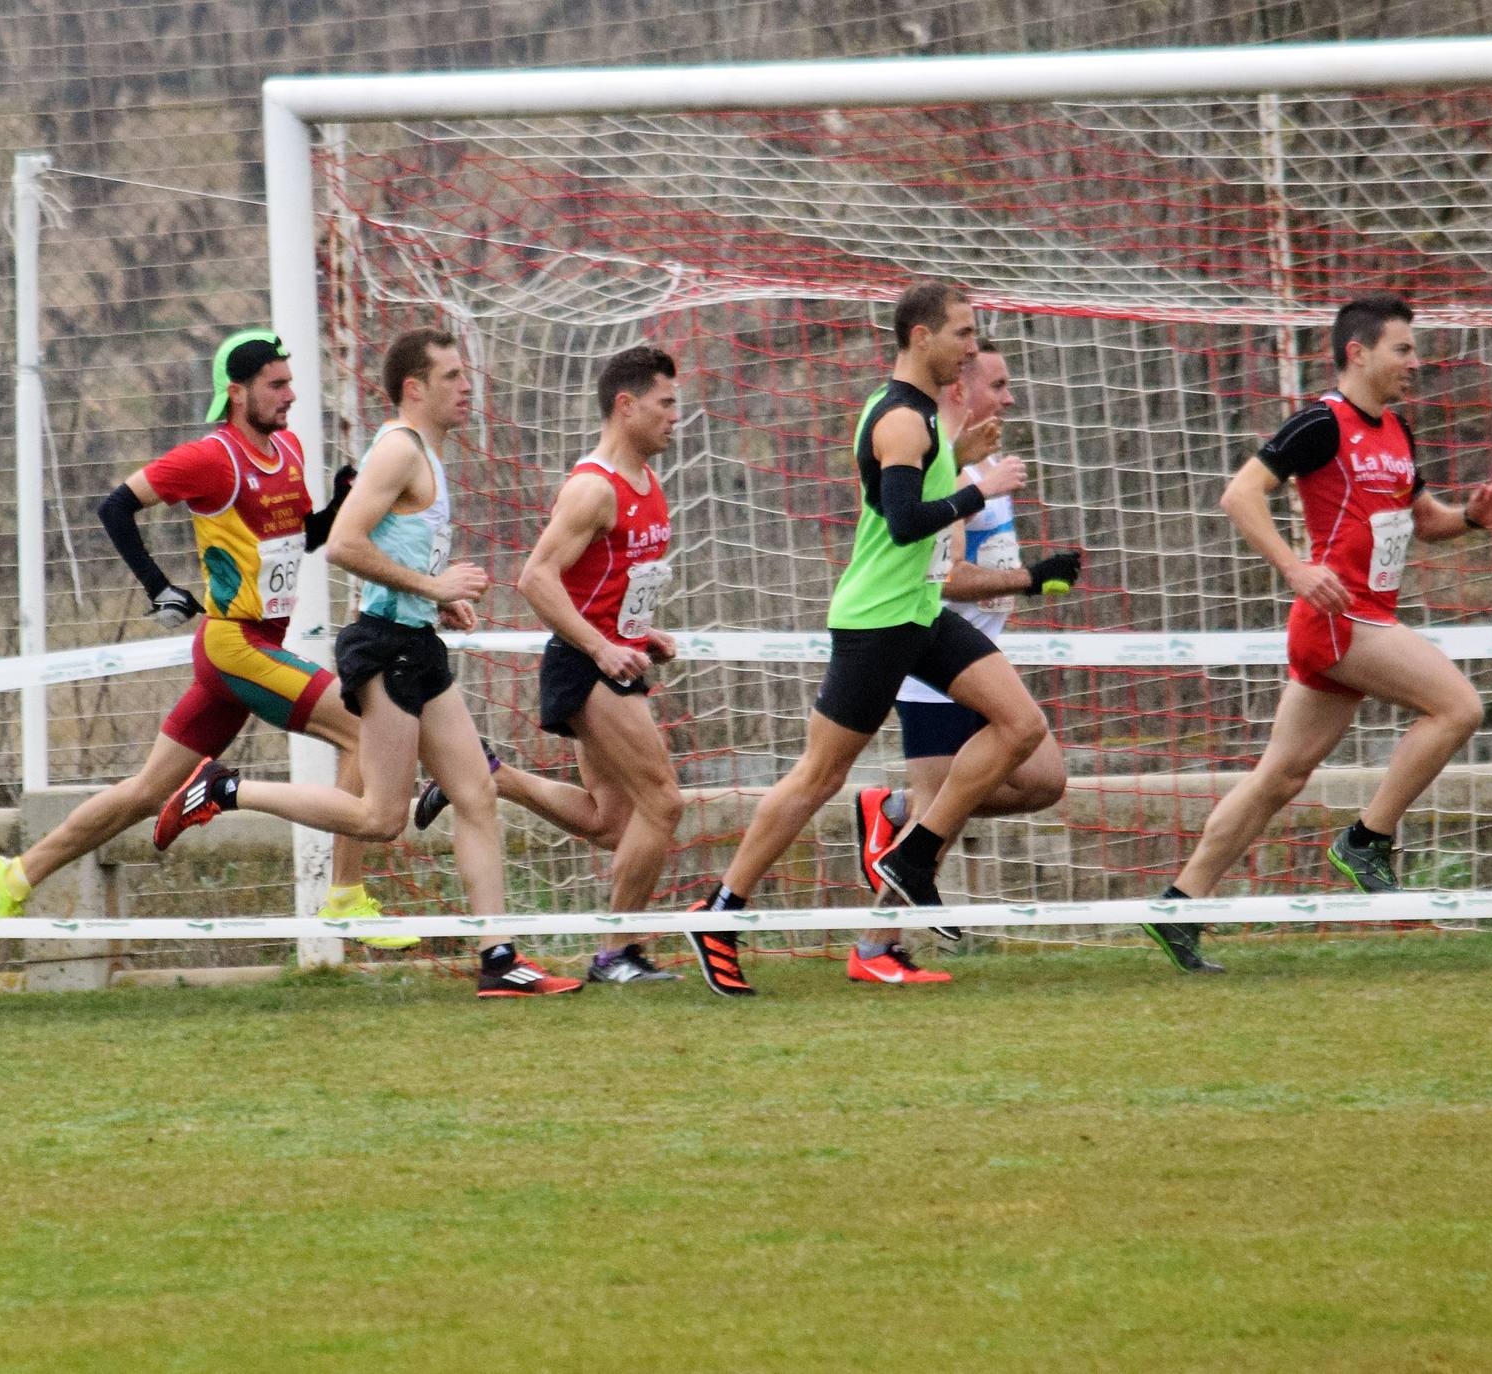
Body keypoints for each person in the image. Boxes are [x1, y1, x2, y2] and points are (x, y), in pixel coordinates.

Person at [0, 331, 400, 946]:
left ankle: (12, 877)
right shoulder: (211, 458)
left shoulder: (288, 448)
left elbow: (300, 539)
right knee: (361, 728)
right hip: (235, 646)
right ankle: (346, 896)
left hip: (247, 652)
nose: (291, 395)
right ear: (237, 392)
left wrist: (338, 503)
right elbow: (115, 507)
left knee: (147, 792)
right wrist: (157, 586)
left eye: (289, 382)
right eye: (276, 385)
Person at [689, 281, 1048, 998]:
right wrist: (979, 485)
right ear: (920, 336)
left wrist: (959, 452)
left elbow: (920, 486)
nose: (970, 348)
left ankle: (912, 854)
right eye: (960, 334)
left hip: (916, 613)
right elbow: (905, 521)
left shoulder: (920, 421)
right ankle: (719, 910)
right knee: (817, 777)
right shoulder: (898, 420)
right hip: (877, 622)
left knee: (1021, 724)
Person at [1143, 294, 1492, 973]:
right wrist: (1294, 566)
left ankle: (1179, 904)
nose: (1414, 361)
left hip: (1358, 620)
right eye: (1401, 349)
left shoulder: (1396, 432)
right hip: (1338, 619)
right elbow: (1239, 494)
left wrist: (1471, 516)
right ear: (1357, 353)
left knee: (1278, 777)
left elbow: (1421, 519)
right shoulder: (1321, 422)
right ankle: (1366, 839)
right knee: (1458, 706)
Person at [323, 328, 578, 996]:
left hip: (416, 641)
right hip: (382, 646)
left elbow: (395, 559)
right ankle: (225, 790)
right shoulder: (397, 451)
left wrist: (433, 604)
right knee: (382, 819)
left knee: (475, 793)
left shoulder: (429, 456)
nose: (467, 388)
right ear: (415, 387)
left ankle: (498, 960)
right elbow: (343, 544)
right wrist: (433, 588)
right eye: (452, 376)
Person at [847, 348, 1080, 986]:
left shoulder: (976, 466)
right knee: (938, 823)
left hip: (972, 660)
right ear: (961, 390)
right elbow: (943, 578)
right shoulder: (950, 475)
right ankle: (875, 947)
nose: (1008, 399)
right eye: (997, 386)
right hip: (932, 666)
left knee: (1041, 780)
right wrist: (1030, 579)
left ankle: (893, 810)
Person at [498, 346, 695, 986]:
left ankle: (487, 772)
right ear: (626, 404)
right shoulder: (591, 488)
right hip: (587, 666)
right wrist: (602, 646)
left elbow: (604, 585)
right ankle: (616, 953)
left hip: (613, 657)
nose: (675, 417)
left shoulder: (646, 479)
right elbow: (535, 577)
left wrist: (642, 632)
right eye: (665, 403)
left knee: (611, 823)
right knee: (663, 803)